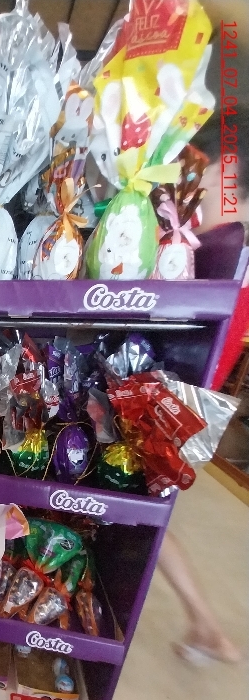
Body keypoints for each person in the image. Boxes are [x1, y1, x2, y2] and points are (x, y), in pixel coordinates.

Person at [157, 106, 249, 664]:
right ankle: (204, 626)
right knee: (154, 513)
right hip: (201, 397)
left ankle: (207, 626)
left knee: (148, 514)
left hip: (185, 398)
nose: (199, 186)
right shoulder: (231, 248)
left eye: (208, 173)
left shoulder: (223, 247)